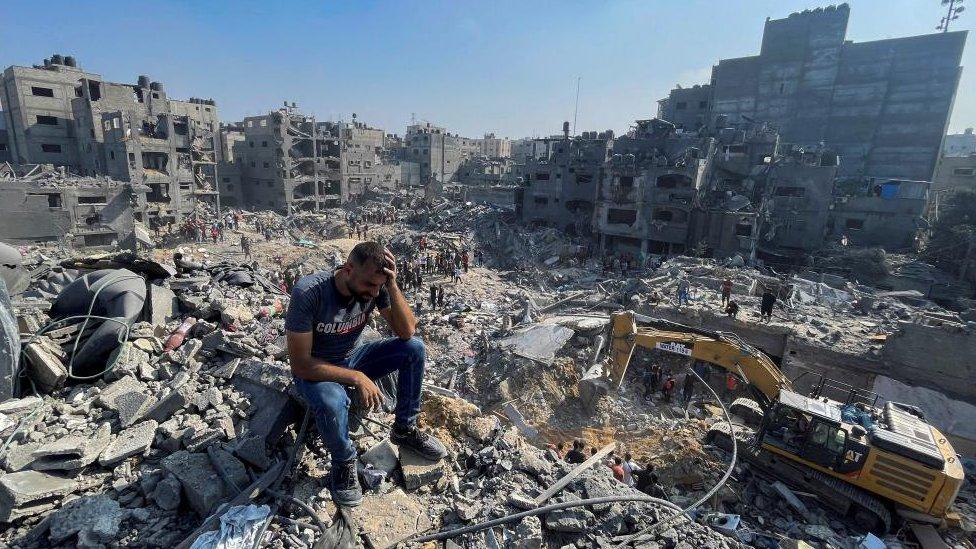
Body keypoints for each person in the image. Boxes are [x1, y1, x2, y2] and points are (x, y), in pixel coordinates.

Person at [285, 242, 447, 507]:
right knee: (331, 401)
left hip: (353, 357)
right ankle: (343, 461)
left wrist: (392, 285)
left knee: (414, 349)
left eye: (379, 286)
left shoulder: (377, 286)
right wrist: (357, 378)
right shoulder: (310, 293)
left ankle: (405, 429)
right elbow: (301, 365)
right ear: (348, 270)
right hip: (317, 368)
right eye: (370, 285)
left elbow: (406, 332)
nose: (374, 292)